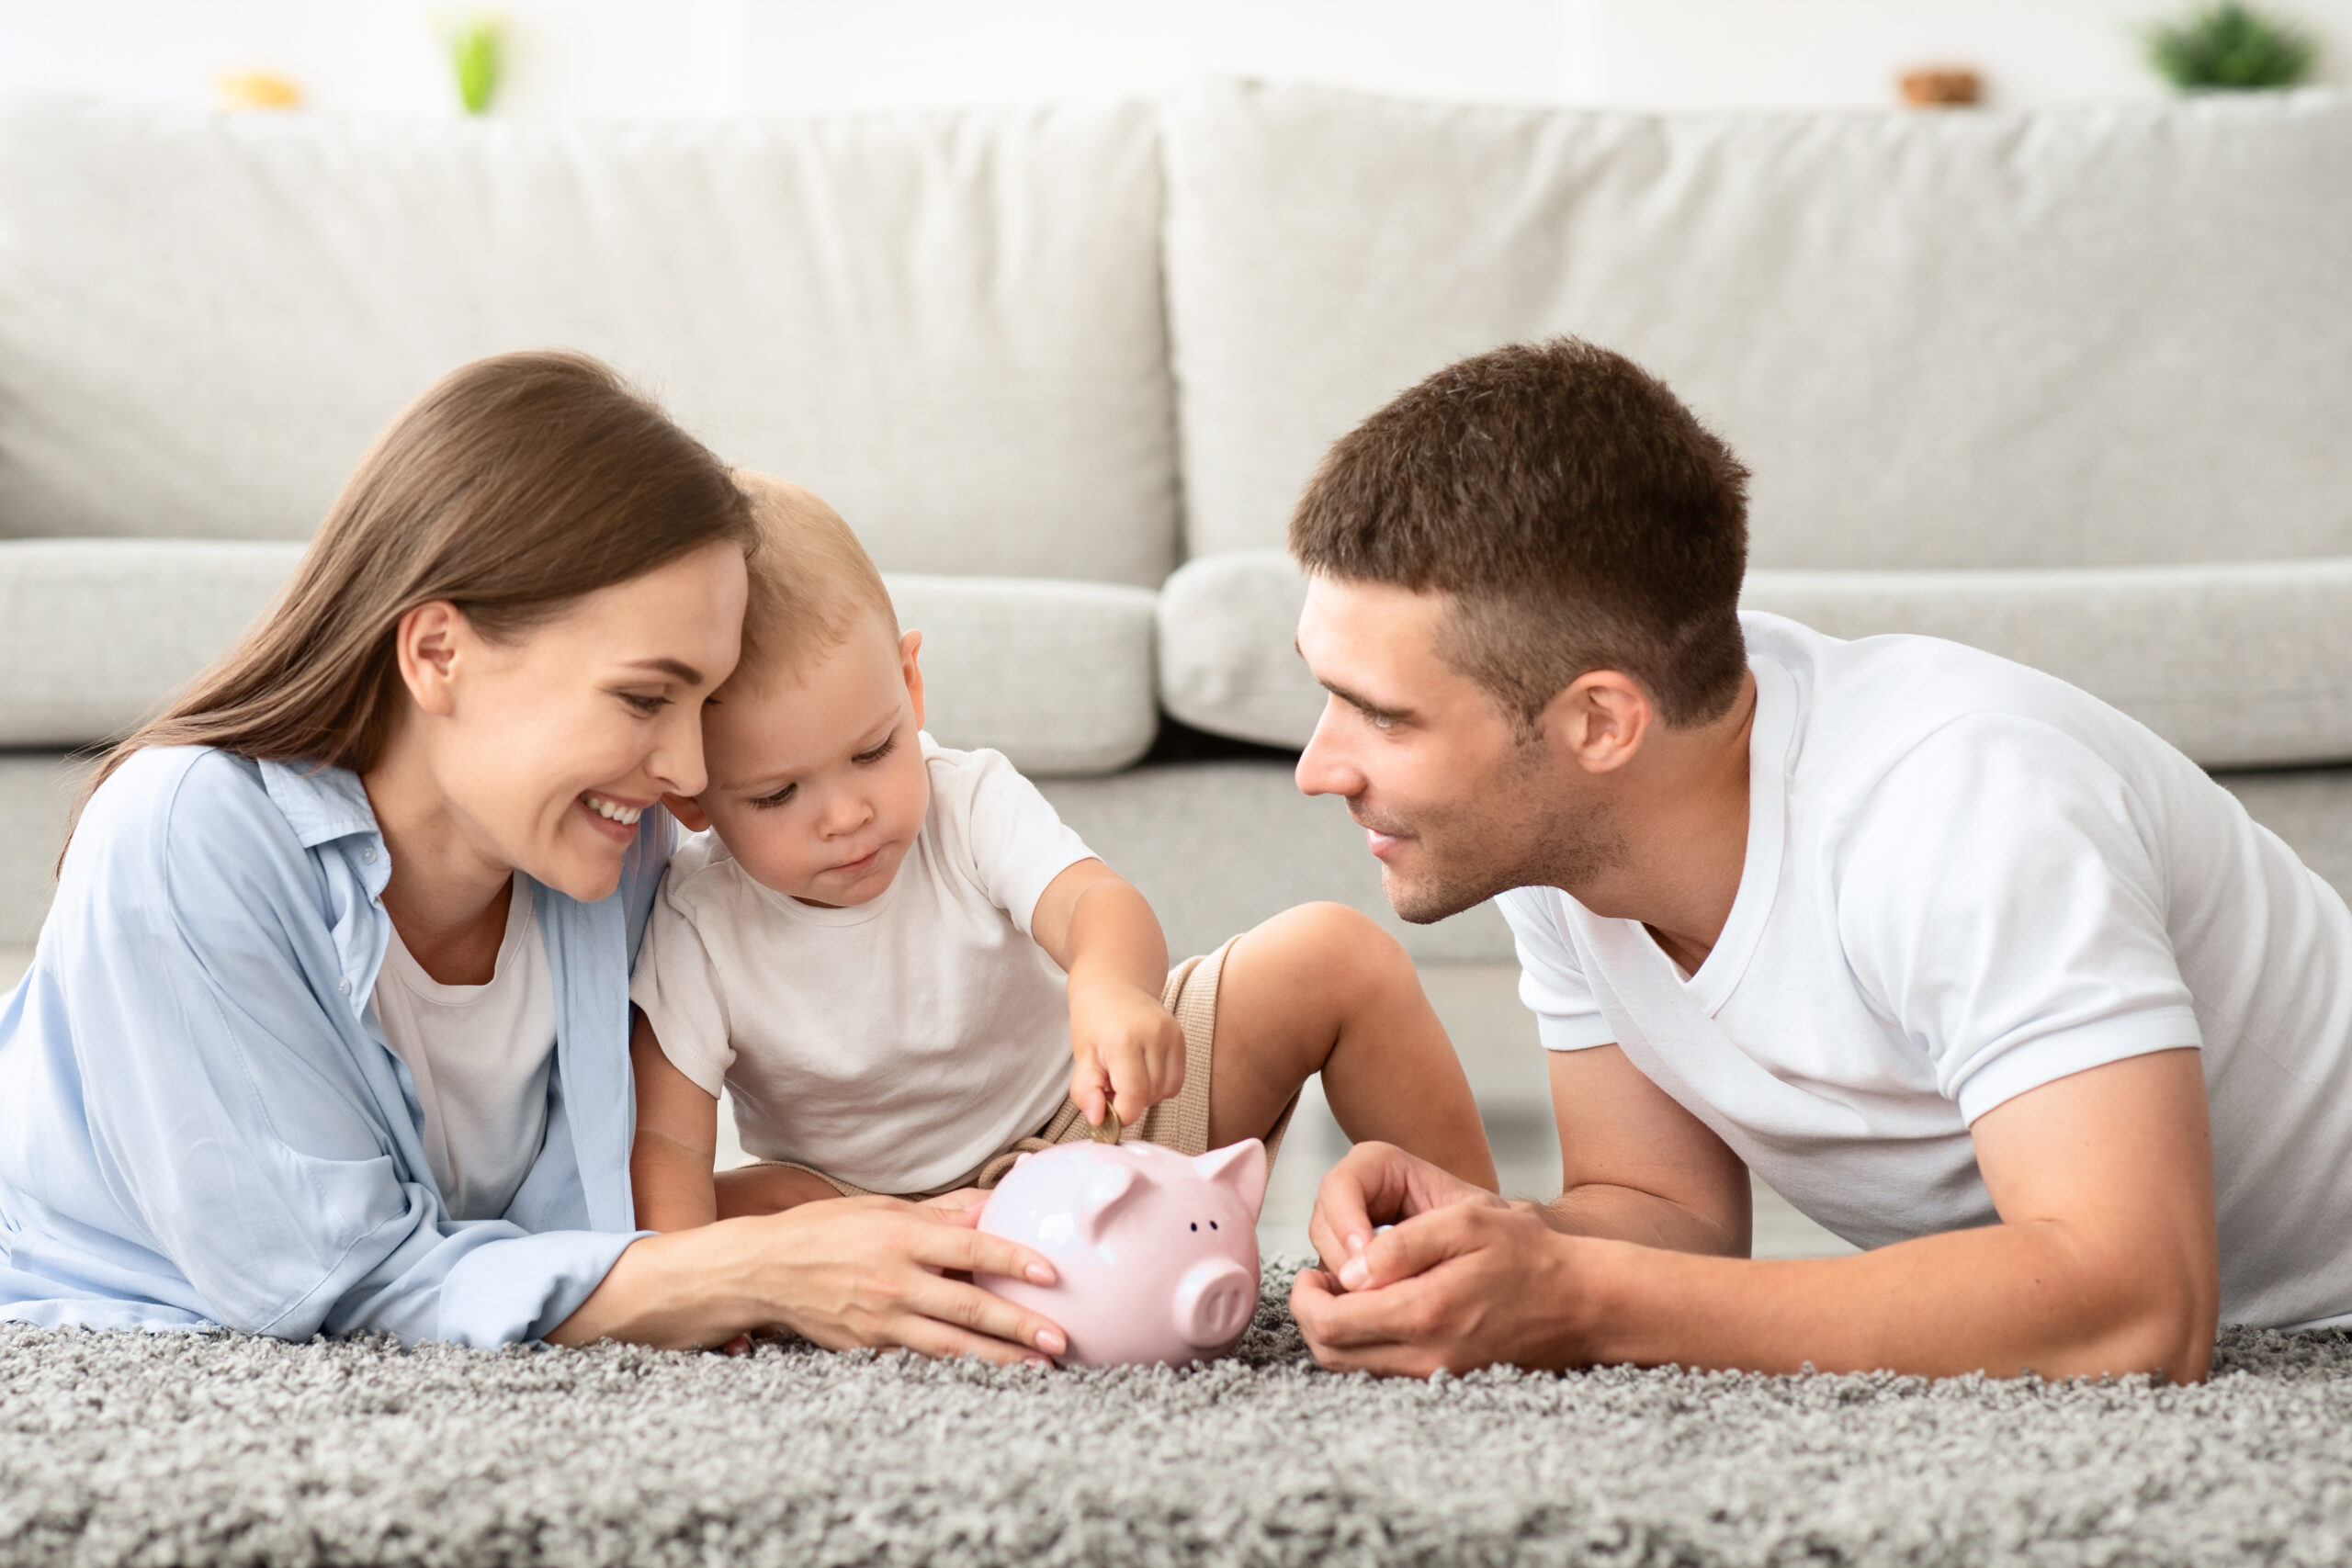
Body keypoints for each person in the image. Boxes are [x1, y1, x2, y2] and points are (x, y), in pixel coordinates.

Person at [1283, 338, 2352, 1385]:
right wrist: (1491, 1247)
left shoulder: (1960, 805)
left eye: (1383, 717)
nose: (1316, 768)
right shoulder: (1563, 834)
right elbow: (1665, 1217)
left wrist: (1577, 1296)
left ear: (1600, 723)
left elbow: (2140, 1312)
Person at [0, 353, 1080, 1362]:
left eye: (704, 704)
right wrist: (739, 1270)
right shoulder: (186, 832)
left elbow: (577, 1224)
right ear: (438, 653)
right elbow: (320, 1281)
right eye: (648, 697)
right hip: (111, 1321)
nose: (689, 770)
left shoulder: (612, 844)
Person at [627, 474, 1497, 1230]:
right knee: (721, 1207)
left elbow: (1091, 904)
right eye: (778, 794)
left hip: (1101, 1122)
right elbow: (665, 1138)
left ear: (910, 682)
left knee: (1335, 955)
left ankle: (1470, 1229)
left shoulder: (964, 802)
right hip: (875, 1213)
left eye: (872, 750)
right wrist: (698, 1276)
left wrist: (1109, 991)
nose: (847, 813)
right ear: (690, 792)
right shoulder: (697, 924)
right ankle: (926, 1260)